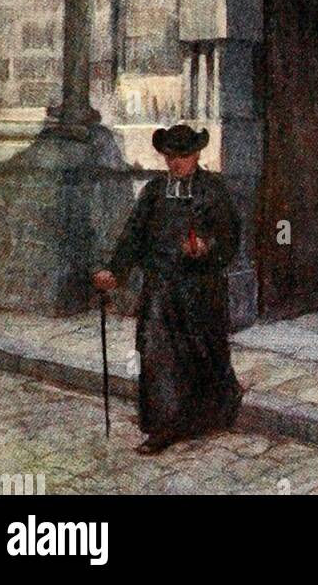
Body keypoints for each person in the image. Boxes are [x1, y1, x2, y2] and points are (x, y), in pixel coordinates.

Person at [93, 124, 243, 455]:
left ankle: (212, 409)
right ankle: (162, 426)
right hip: (159, 288)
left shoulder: (213, 191)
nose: (176, 163)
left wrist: (206, 247)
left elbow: (231, 239)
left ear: (197, 155)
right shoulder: (154, 191)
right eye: (170, 157)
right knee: (156, 353)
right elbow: (133, 235)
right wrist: (115, 271)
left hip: (199, 289)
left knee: (203, 354)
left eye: (183, 156)